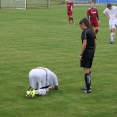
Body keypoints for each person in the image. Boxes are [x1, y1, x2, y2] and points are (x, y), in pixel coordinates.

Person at [79, 18, 97, 93]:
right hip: (91, 51)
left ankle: (88, 89)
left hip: (86, 52)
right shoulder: (92, 31)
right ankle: (87, 86)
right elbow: (95, 43)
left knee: (86, 69)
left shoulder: (85, 32)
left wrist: (81, 54)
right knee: (88, 68)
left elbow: (84, 43)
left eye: (80, 26)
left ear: (83, 24)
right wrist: (93, 51)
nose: (80, 28)